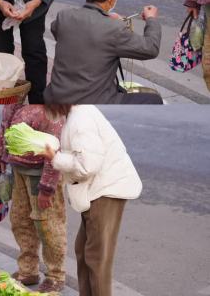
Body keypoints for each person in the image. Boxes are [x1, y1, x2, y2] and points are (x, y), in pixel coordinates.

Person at [40, 105, 142, 296]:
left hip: (106, 190)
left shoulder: (80, 119)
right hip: (100, 189)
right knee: (84, 249)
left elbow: (88, 166)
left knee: (97, 257)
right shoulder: (77, 113)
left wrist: (56, 158)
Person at [44, 0, 163, 104]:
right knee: (154, 100)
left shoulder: (64, 16)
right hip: (91, 103)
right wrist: (151, 19)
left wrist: (106, 20)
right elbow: (151, 48)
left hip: (57, 97)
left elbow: (60, 32)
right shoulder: (114, 28)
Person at [0, 104, 66, 292]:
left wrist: (47, 188)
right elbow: (5, 127)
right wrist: (0, 155)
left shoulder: (48, 108)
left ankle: (55, 275)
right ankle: (28, 270)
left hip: (41, 174)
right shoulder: (14, 100)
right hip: (18, 170)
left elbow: (54, 150)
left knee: (48, 225)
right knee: (20, 220)